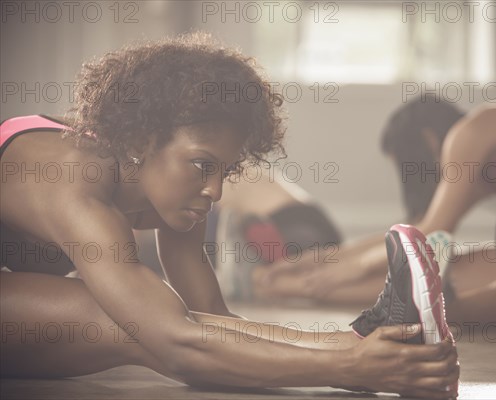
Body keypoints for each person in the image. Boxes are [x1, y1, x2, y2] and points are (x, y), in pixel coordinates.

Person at [0, 33, 459, 398]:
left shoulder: (170, 183)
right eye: (203, 165)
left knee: (158, 312)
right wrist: (345, 368)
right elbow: (175, 343)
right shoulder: (72, 173)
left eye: (226, 169)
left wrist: (351, 345)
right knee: (124, 320)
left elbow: (209, 316)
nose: (216, 190)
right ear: (142, 142)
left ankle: (367, 337)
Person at [256, 98, 496, 324]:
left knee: (447, 288)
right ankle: (294, 284)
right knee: (438, 274)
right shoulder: (481, 154)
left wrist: (342, 273)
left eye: (407, 164)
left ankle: (297, 290)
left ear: (427, 141)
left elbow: (430, 232)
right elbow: (414, 229)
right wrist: (314, 261)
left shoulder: (471, 133)